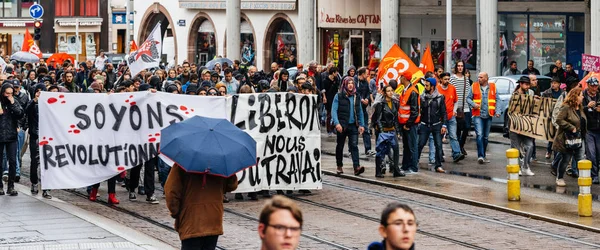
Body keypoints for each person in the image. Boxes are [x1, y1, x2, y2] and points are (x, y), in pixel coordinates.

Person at [165, 163, 238, 250]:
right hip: (213, 219)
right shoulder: (220, 162)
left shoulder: (183, 163)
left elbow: (172, 192)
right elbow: (232, 185)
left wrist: (176, 212)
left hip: (191, 220)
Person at [332, 77, 366, 176]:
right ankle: (339, 166)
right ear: (345, 84)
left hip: (353, 125)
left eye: (352, 83)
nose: (350, 85)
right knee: (340, 146)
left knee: (354, 146)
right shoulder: (339, 96)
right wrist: (337, 123)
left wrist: (361, 124)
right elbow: (334, 110)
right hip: (342, 125)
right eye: (349, 83)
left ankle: (356, 167)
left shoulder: (356, 96)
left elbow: (360, 111)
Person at [553, 87, 586, 187]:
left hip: (579, 137)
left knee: (580, 158)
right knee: (566, 159)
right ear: (575, 97)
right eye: (581, 95)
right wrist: (571, 127)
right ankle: (559, 177)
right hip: (567, 138)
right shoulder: (566, 107)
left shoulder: (580, 108)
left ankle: (583, 179)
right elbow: (559, 120)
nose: (583, 97)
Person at [467, 72, 500, 164]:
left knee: (485, 137)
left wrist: (498, 111)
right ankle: (480, 156)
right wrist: (474, 104)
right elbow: (468, 98)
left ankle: (483, 155)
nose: (479, 78)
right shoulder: (474, 86)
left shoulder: (493, 87)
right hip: (478, 115)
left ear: (486, 78)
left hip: (489, 115)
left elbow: (498, 99)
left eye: (481, 77)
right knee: (480, 135)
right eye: (478, 77)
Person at [26, 83, 52, 198]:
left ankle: (46, 188)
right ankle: (34, 183)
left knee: (47, 163)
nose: (39, 92)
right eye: (37, 90)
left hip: (47, 137)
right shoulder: (32, 103)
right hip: (35, 136)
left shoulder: (49, 105)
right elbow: (26, 112)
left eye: (42, 91)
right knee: (34, 161)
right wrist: (34, 101)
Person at [373, 85, 404, 178]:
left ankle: (396, 169)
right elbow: (378, 119)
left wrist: (398, 131)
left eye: (392, 91)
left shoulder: (395, 103)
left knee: (396, 149)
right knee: (380, 151)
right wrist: (382, 131)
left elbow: (395, 118)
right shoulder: (380, 104)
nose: (391, 92)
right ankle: (378, 171)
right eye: (388, 91)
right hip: (383, 131)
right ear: (384, 93)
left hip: (392, 130)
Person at [417, 78, 447, 173]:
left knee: (438, 145)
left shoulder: (440, 97)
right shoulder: (422, 97)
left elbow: (443, 112)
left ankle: (438, 165)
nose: (425, 87)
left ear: (432, 87)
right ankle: (414, 162)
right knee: (420, 144)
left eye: (427, 85)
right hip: (424, 125)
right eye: (425, 85)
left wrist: (444, 125)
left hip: (436, 125)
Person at [0, 82, 24, 196]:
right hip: (0, 134)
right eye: (6, 93)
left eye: (10, 93)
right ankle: (0, 186)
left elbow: (20, 114)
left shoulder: (14, 101)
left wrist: (13, 103)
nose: (8, 95)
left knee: (13, 161)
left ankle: (11, 186)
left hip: (11, 135)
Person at [508, 76, 536, 176]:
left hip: (526, 126)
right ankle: (517, 167)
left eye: (529, 84)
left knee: (530, 146)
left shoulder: (530, 94)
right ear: (520, 84)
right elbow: (512, 112)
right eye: (526, 84)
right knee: (515, 149)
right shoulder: (515, 95)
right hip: (515, 127)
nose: (528, 86)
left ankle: (525, 166)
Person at [437, 72, 464, 162]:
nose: (447, 81)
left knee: (453, 135)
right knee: (439, 137)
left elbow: (456, 101)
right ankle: (439, 155)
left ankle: (456, 154)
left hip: (451, 116)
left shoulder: (452, 88)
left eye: (448, 79)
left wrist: (454, 110)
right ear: (441, 79)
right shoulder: (437, 89)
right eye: (445, 79)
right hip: (440, 118)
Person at [398, 74, 421, 174]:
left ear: (405, 78)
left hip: (410, 125)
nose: (399, 78)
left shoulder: (412, 91)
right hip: (406, 124)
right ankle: (405, 165)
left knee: (412, 146)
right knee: (407, 146)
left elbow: (414, 111)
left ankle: (413, 167)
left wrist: (408, 124)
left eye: (401, 77)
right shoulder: (406, 90)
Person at [450, 60, 472, 156]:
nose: (460, 67)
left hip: (466, 107)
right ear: (456, 67)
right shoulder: (452, 78)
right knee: (457, 129)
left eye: (461, 66)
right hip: (456, 107)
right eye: (458, 66)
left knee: (467, 127)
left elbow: (468, 92)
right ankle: (457, 149)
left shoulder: (466, 79)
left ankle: (461, 145)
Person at [583, 77, 600, 184]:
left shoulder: (599, 95)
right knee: (591, 154)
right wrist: (586, 107)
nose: (594, 88)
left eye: (596, 85)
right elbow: (577, 108)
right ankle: (594, 175)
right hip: (588, 129)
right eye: (592, 85)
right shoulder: (582, 95)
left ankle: (595, 172)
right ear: (588, 85)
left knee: (598, 153)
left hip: (599, 129)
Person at [541, 77, 564, 159]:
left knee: (557, 135)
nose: (553, 85)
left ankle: (555, 152)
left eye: (555, 83)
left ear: (559, 84)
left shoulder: (563, 93)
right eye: (552, 83)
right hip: (550, 117)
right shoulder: (546, 93)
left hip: (559, 116)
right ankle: (549, 150)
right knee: (551, 134)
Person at [356, 67, 375, 156]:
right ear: (362, 74)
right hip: (356, 109)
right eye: (366, 73)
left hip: (363, 108)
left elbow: (368, 92)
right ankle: (352, 148)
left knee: (366, 129)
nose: (367, 75)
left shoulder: (365, 82)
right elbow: (354, 92)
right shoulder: (355, 81)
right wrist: (361, 99)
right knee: (355, 129)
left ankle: (368, 148)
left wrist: (367, 99)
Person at [323, 67, 340, 136]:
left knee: (335, 113)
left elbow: (338, 88)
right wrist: (324, 97)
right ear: (333, 73)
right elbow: (324, 90)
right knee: (329, 114)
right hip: (328, 98)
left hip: (335, 98)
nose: (337, 74)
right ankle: (329, 129)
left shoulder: (336, 79)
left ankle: (333, 127)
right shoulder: (325, 80)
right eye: (336, 72)